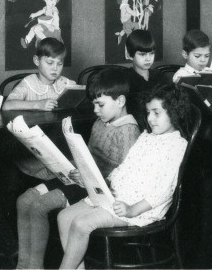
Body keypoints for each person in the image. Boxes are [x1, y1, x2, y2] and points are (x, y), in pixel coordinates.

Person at [16, 68, 140, 270]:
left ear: (120, 101)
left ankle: (33, 267)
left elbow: (124, 179)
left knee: (39, 206)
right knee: (24, 200)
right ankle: (23, 266)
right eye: (93, 105)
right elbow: (87, 158)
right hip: (79, 179)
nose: (95, 111)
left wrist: (86, 177)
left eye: (100, 105)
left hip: (97, 190)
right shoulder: (100, 123)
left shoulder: (129, 131)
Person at [57, 86, 191, 268]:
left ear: (174, 113)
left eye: (156, 113)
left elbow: (164, 190)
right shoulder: (146, 137)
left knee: (81, 224)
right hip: (116, 196)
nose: (150, 119)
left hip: (139, 208)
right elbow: (123, 168)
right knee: (64, 216)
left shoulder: (177, 145)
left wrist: (132, 210)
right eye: (148, 112)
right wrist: (95, 181)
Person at [3, 37, 76, 110]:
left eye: (60, 64)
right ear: (37, 61)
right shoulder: (28, 83)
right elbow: (6, 106)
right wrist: (38, 104)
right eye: (50, 63)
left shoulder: (66, 83)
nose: (55, 68)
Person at [124, 30, 170, 111]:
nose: (148, 59)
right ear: (129, 55)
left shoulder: (161, 77)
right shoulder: (125, 80)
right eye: (142, 54)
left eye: (151, 53)